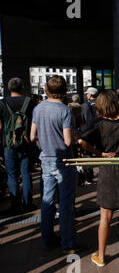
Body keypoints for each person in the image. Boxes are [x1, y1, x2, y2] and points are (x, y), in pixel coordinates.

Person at [77, 90, 119, 267]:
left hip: (108, 170)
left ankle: (101, 256)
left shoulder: (99, 124)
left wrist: (99, 153)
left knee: (105, 217)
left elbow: (81, 141)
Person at [30, 76, 78, 253]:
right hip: (64, 160)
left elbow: (32, 135)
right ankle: (68, 242)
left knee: (47, 200)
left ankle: (47, 237)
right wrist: (76, 138)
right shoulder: (65, 111)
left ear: (46, 90)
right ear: (64, 91)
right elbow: (67, 141)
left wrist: (43, 144)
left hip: (46, 159)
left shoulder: (38, 109)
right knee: (65, 203)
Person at [0, 78, 37, 214]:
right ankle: (28, 203)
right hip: (26, 143)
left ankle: (15, 205)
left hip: (9, 144)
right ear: (22, 88)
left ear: (9, 88)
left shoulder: (2, 103)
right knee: (26, 173)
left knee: (12, 175)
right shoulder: (30, 102)